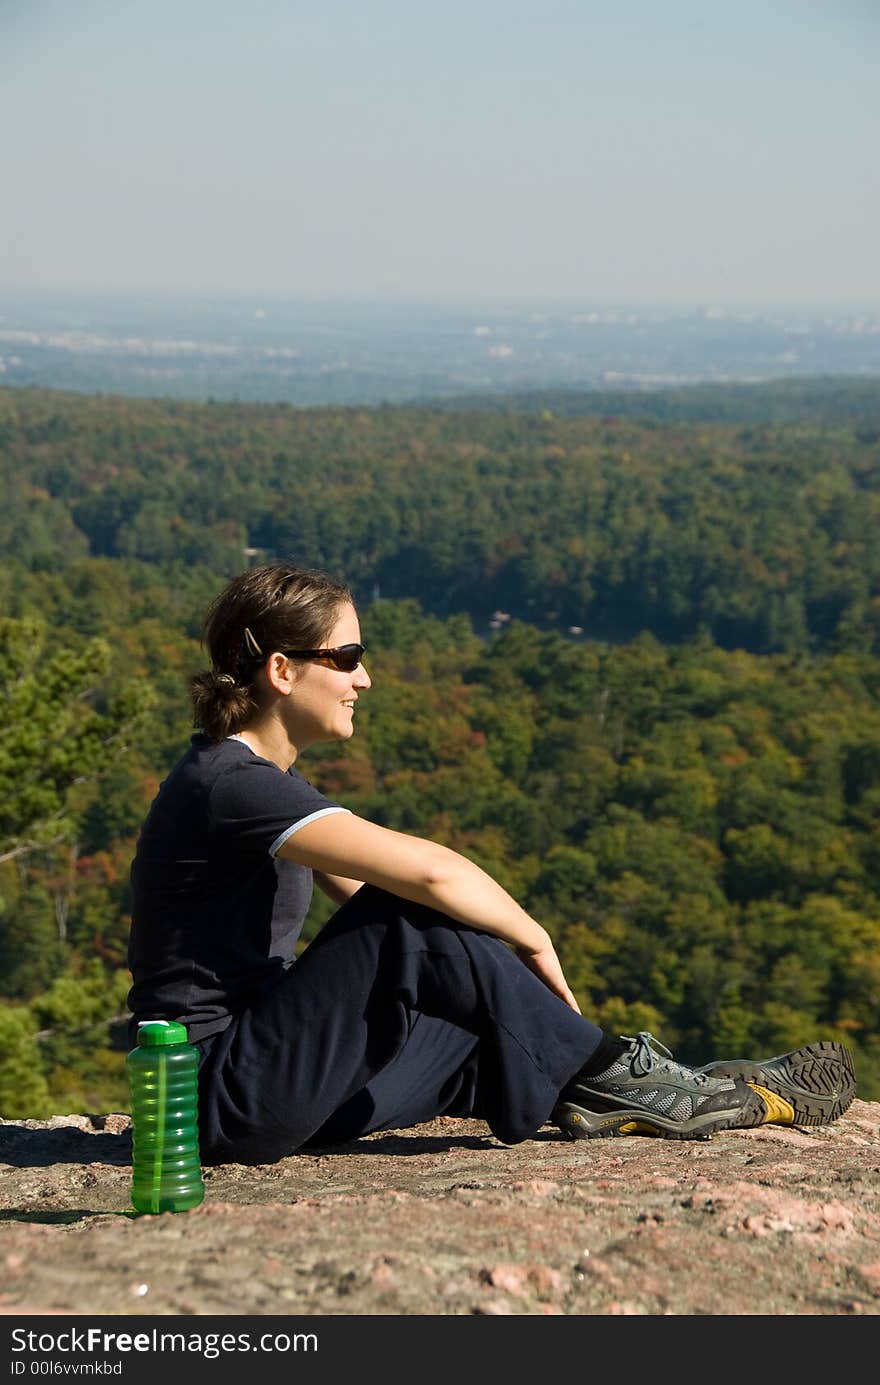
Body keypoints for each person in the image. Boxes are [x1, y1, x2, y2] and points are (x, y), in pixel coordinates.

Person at [127, 563, 856, 1165]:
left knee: (481, 1038)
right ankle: (628, 1076)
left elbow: (368, 913)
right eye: (346, 657)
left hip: (268, 1083)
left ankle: (625, 1091)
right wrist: (532, 936)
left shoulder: (264, 785)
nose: (365, 677)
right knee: (412, 918)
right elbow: (425, 884)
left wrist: (484, 982)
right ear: (282, 670)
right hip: (207, 1097)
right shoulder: (230, 783)